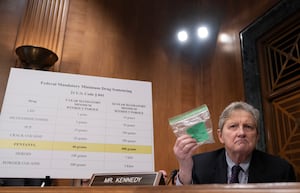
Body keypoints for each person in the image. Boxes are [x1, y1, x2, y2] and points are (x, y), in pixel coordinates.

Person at [173, 101, 296, 184]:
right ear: (220, 136)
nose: (241, 133)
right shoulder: (199, 165)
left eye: (248, 126)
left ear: (257, 136)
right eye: (233, 126)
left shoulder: (281, 170)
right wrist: (184, 166)